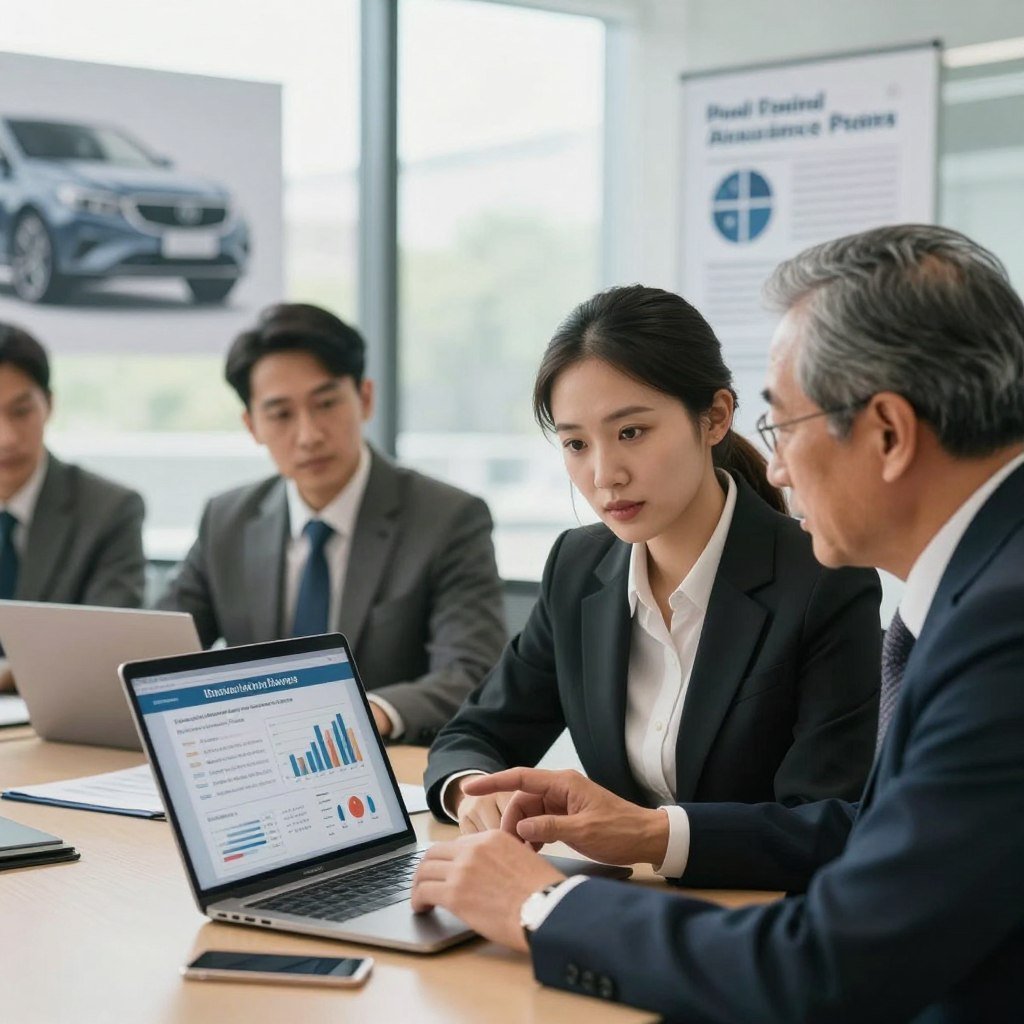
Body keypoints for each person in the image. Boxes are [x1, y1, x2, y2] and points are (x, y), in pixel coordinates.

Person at [411, 225, 1024, 1022]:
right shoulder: (977, 587)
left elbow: (828, 964)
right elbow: (881, 839)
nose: (773, 466)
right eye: (574, 443)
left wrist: (542, 909)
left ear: (887, 432)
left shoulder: (999, 627)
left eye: (786, 428)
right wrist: (626, 832)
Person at [425, 284, 882, 852]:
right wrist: (472, 791)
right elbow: (475, 732)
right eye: (575, 443)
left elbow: (829, 821)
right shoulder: (578, 566)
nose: (604, 473)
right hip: (614, 902)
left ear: (714, 418)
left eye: (631, 433)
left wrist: (652, 836)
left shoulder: (823, 580)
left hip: (752, 917)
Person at [158, 302, 506, 745]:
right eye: (281, 414)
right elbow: (162, 650)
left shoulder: (447, 519)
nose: (309, 435)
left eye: (325, 404)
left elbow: (472, 671)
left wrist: (365, 714)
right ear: (252, 425)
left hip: (387, 764)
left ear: (364, 398)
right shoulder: (227, 519)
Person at [0, 322, 146, 690]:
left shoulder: (109, 510)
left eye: (21, 411)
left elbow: (106, 646)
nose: (7, 438)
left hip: (54, 725)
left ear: (48, 404)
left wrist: (6, 676)